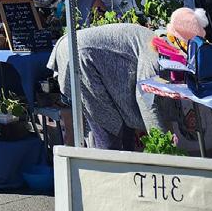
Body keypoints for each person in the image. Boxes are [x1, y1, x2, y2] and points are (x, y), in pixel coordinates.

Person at [49, 20, 182, 150]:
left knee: (125, 132)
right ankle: (109, 163)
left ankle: (124, 161)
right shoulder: (155, 52)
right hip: (80, 57)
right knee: (109, 132)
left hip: (85, 55)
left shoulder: (163, 43)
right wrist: (163, 146)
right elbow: (145, 98)